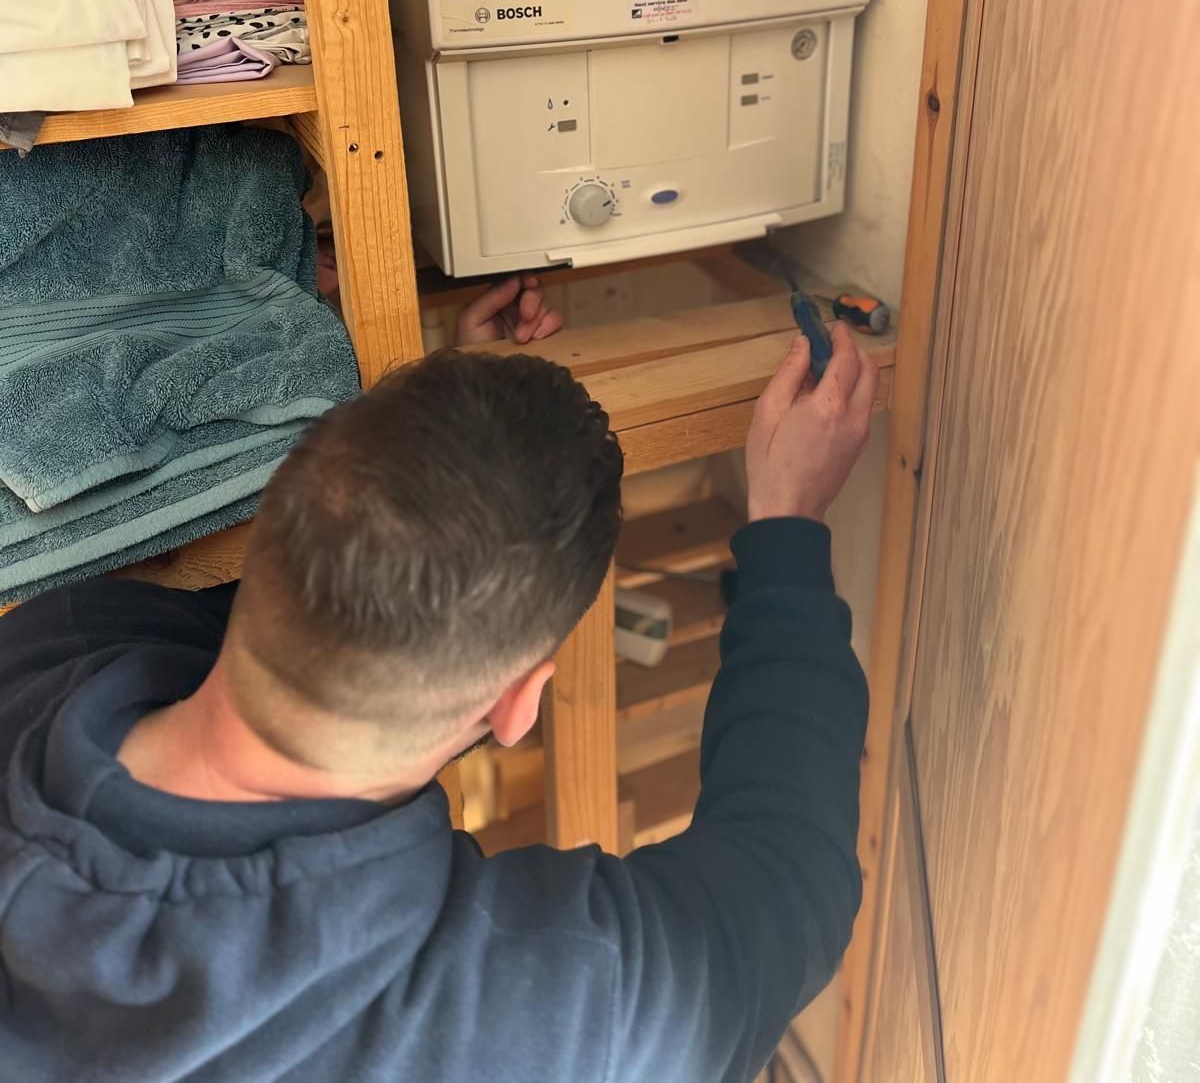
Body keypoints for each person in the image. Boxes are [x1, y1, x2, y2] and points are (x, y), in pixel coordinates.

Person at [0, 270, 877, 1083]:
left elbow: (344, 635)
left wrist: (455, 452)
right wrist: (790, 523)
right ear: (514, 706)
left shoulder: (53, 645)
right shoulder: (527, 1009)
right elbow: (791, 877)